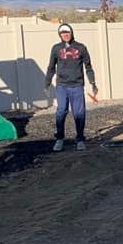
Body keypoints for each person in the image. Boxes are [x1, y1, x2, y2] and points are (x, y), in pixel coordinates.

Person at [44, 23, 98, 151]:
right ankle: (59, 139)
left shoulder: (81, 48)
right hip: (62, 86)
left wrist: (93, 83)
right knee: (61, 111)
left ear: (72, 32)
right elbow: (51, 68)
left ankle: (80, 139)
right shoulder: (56, 49)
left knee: (79, 113)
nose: (65, 35)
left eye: (67, 32)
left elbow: (88, 67)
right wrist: (46, 84)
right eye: (63, 33)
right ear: (60, 35)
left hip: (77, 86)